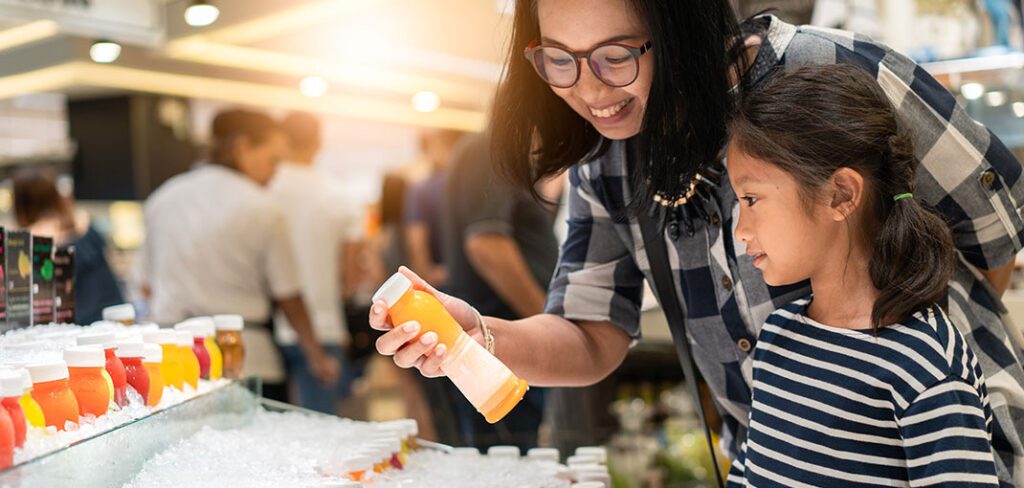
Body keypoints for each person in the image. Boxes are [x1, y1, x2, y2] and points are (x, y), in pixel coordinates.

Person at [372, 1, 1024, 485]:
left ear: (682, 28)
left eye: (616, 54)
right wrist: (476, 335)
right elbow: (591, 332)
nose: (591, 90)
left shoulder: (831, 75)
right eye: (559, 61)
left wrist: (912, 340)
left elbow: (993, 233)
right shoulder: (611, 154)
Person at [725, 64, 998, 486]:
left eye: (752, 198)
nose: (740, 229)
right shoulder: (777, 336)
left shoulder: (925, 366)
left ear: (841, 195)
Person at [138, 108, 338, 391]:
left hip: (173, 361)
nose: (274, 174)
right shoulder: (263, 208)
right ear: (243, 148)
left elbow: (146, 287)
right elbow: (289, 297)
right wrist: (317, 356)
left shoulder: (163, 198)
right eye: (273, 161)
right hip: (247, 360)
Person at [430, 131, 560, 449]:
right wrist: (549, 323)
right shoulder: (492, 148)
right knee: (506, 457)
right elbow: (486, 244)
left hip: (504, 336)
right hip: (501, 339)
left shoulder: (491, 152)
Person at [269, 111, 361, 414]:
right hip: (324, 327)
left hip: (266, 328)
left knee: (265, 435)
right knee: (320, 431)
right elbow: (350, 275)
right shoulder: (339, 195)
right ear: (319, 142)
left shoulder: (263, 189)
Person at [12, 167, 123, 324]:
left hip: (73, 331)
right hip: (113, 316)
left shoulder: (27, 243)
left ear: (21, 203)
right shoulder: (84, 223)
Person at [403, 130, 464, 288]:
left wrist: (425, 275)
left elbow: (416, 242)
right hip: (470, 282)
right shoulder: (469, 188)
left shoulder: (420, 189)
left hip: (440, 283)